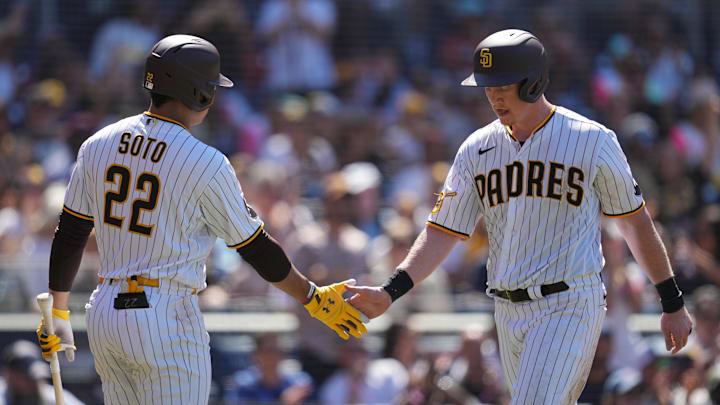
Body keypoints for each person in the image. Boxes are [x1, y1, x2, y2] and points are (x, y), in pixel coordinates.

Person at [346, 28, 693, 404]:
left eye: (502, 84)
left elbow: (634, 223)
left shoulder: (592, 140)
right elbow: (443, 230)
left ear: (531, 82)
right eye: (487, 86)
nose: (492, 95)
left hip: (570, 302)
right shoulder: (476, 148)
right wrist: (390, 291)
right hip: (507, 310)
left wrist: (671, 301)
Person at [34, 34, 366, 405]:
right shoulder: (205, 162)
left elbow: (72, 231)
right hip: (166, 313)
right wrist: (311, 296)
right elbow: (255, 248)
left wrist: (59, 307)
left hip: (104, 313)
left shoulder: (97, 143)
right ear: (199, 93)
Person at [223, 333, 313, 405]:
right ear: (256, 354)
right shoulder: (241, 384)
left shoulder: (300, 382)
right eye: (270, 350)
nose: (276, 355)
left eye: (279, 350)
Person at [0, 340, 84, 405]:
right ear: (9, 375)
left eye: (38, 377)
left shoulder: (55, 397)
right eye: (28, 378)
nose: (35, 383)